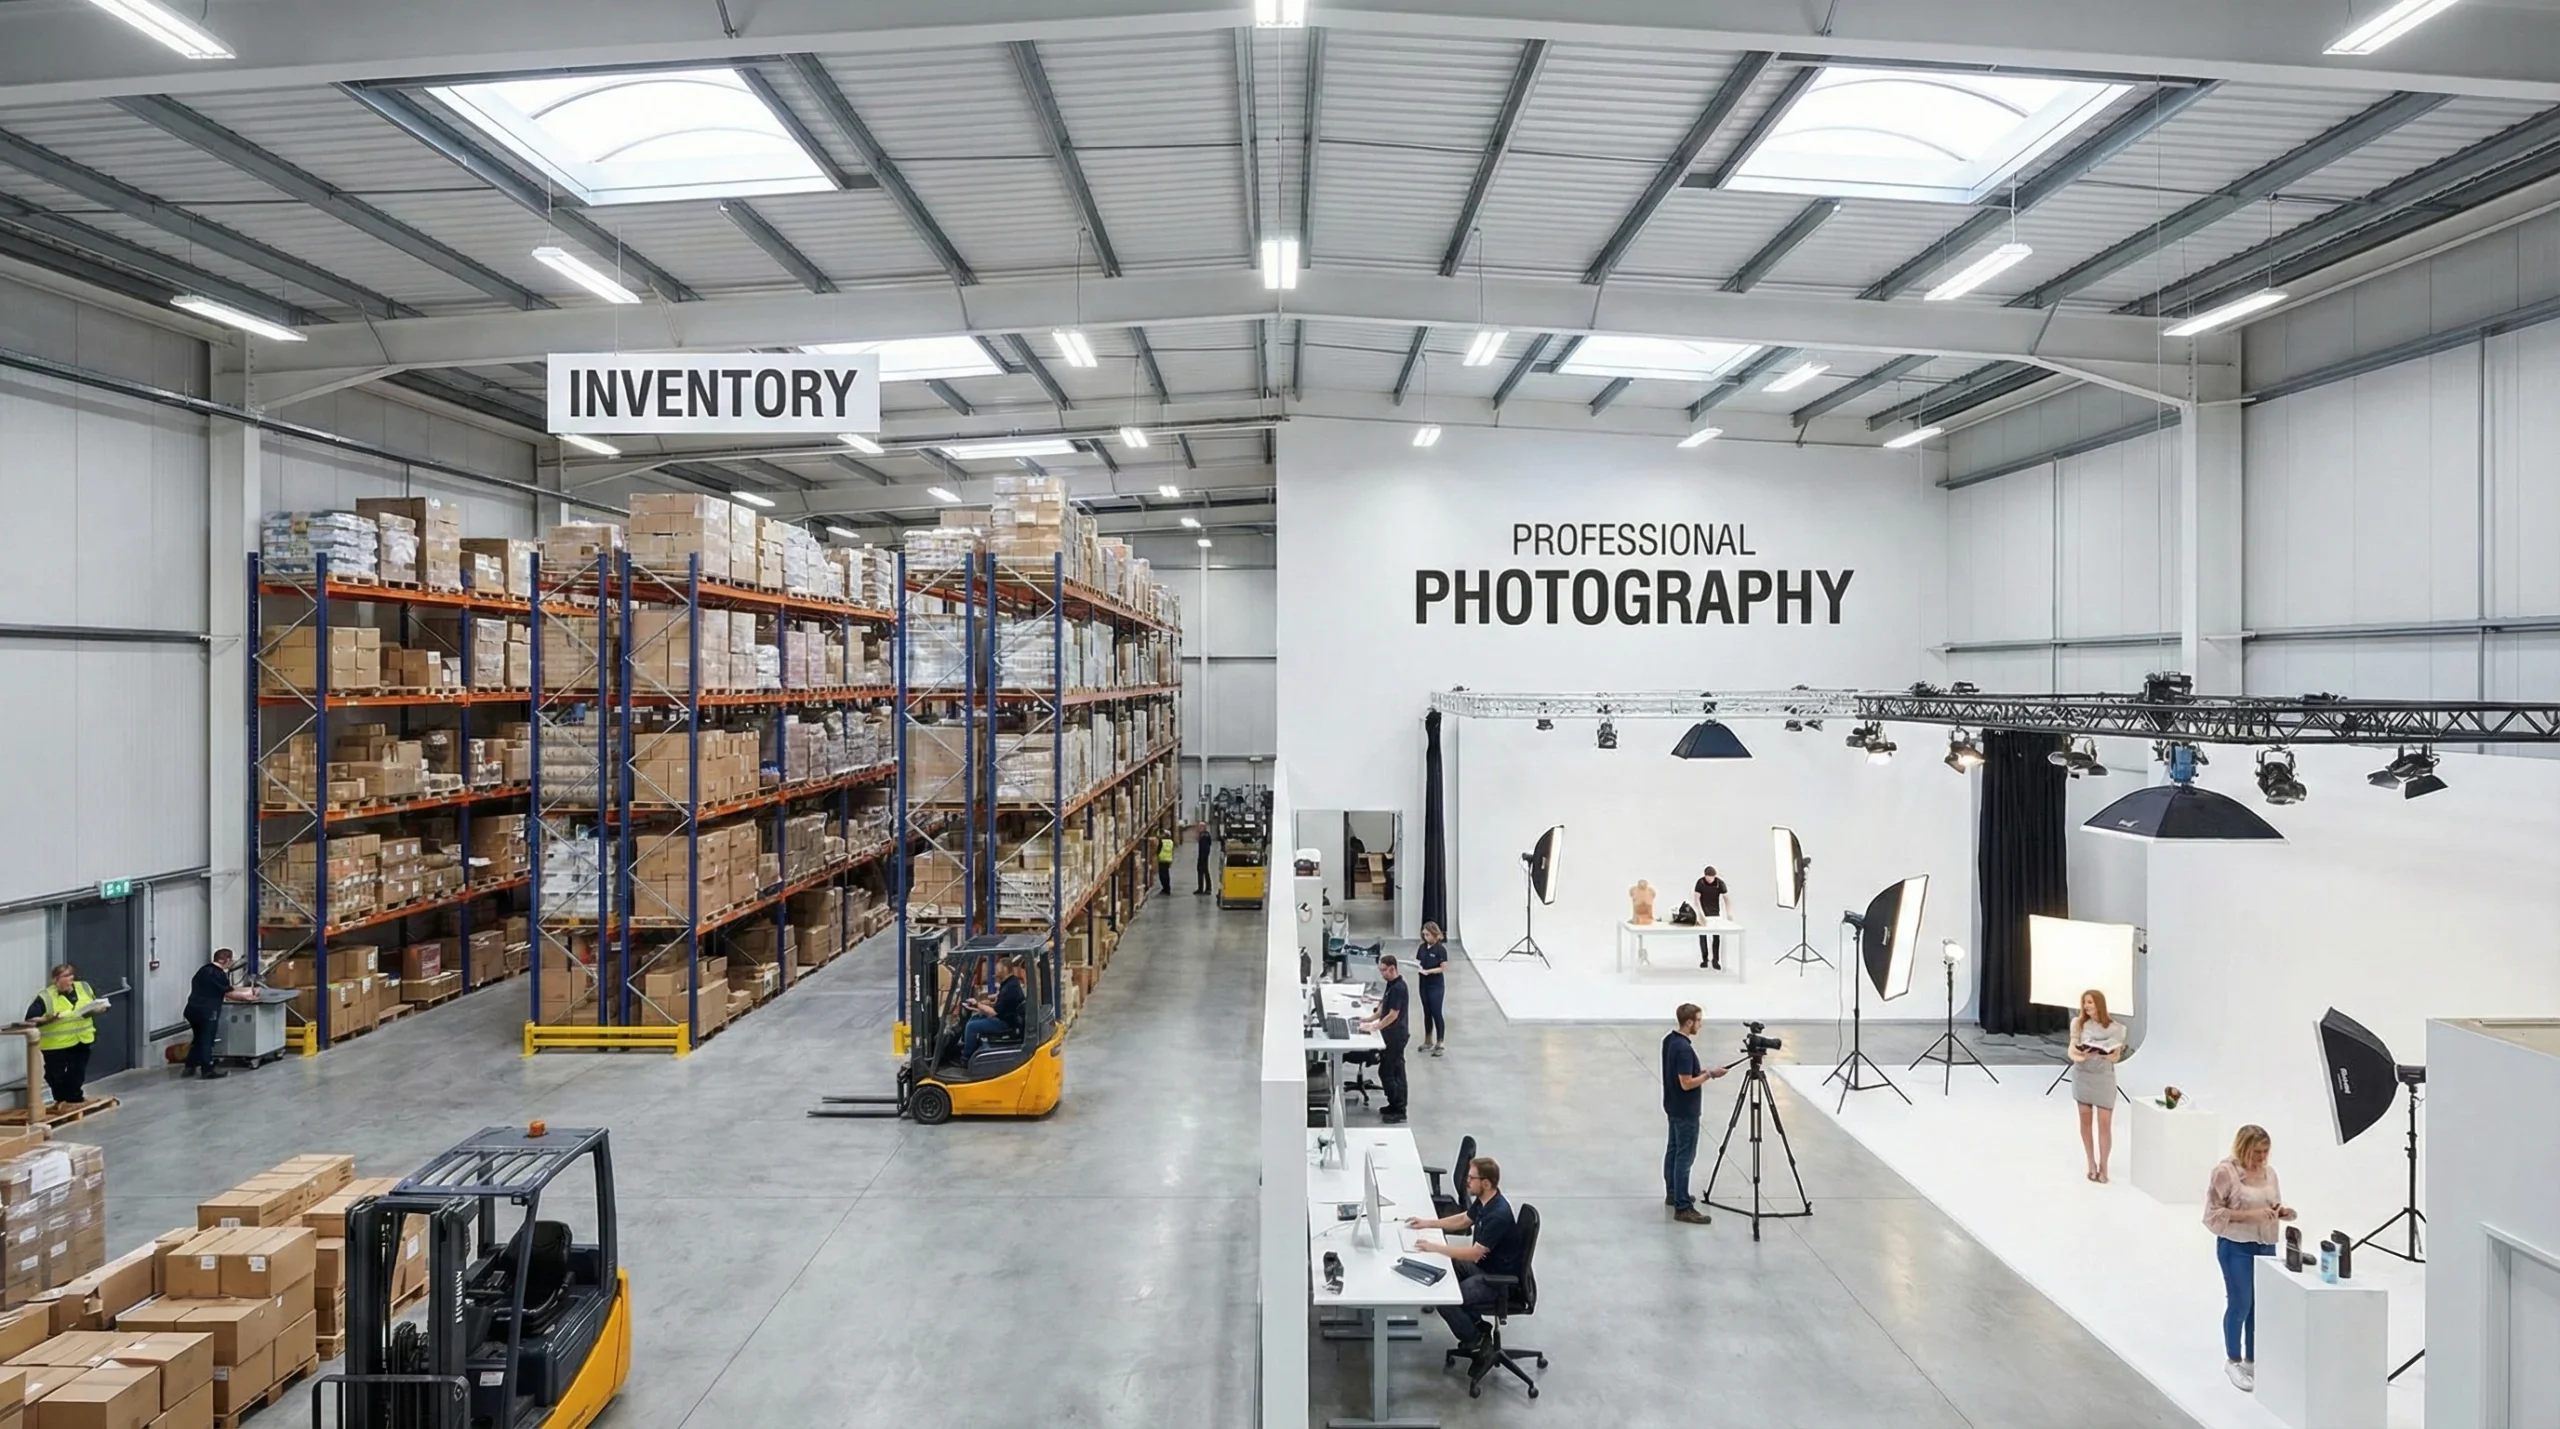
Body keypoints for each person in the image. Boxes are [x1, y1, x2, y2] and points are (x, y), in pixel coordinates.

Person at [1407, 1156, 1524, 1373]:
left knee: (1446, 1299)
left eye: (1471, 1178)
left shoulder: (1498, 1214)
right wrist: (1428, 1223)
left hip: (1496, 1281)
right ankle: (1480, 1328)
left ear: (1486, 1183)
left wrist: (1436, 1247)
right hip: (1486, 1268)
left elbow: (1474, 1255)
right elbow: (1463, 1220)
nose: (1466, 1181)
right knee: (1447, 1265)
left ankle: (1476, 1341)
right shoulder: (1486, 1200)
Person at [2204, 1124, 2294, 1392]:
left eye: (2265, 1152)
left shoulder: (2269, 1174)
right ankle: (2233, 1359)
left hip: (2265, 1245)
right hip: (2236, 1246)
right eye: (2256, 1152)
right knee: (2240, 1302)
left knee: (2260, 1306)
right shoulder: (2225, 1173)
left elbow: (2273, 1204)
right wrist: (2249, 1215)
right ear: (2243, 1148)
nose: (2261, 1158)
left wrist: (2282, 1213)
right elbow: (2212, 1215)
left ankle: (2254, 1359)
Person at [1662, 1002, 1730, 1223]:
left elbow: (1681, 1073)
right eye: (1699, 1021)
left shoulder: (1669, 1040)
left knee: (1673, 1150)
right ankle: (1683, 1206)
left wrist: (1699, 1071)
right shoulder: (1684, 1048)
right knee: (1685, 1156)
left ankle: (1673, 1193)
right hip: (1686, 1110)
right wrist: (1710, 1074)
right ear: (1689, 1022)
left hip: (1672, 1106)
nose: (1700, 1025)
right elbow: (1686, 1083)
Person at [23, 964, 104, 1108]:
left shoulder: (84, 987)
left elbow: (94, 1003)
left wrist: (99, 1009)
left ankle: (74, 1098)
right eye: (65, 979)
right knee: (55, 1074)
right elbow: (30, 1019)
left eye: (71, 979)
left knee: (77, 1072)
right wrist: (48, 1019)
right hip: (55, 1043)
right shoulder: (45, 997)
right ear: (55, 980)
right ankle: (61, 1098)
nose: (69, 983)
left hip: (81, 1038)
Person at [2070, 988, 2128, 1182]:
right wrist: (2081, 1055)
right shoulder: (2078, 1024)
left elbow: (2116, 1056)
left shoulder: (2116, 1028)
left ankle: (2104, 1166)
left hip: (2103, 1078)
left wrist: (2108, 1054)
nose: (2086, 1006)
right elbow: (2071, 1051)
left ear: (2099, 1004)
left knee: (2105, 1125)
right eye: (2085, 1002)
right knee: (2085, 1123)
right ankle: (2091, 1163)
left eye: (2090, 1002)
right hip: (2083, 1075)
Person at [183, 948, 252, 1080]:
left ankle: (190, 1066)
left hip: (191, 1010)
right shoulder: (217, 974)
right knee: (206, 1041)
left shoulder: (203, 970)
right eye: (231, 960)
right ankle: (207, 1070)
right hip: (207, 1012)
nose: (232, 963)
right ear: (225, 960)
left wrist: (246, 990)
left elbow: (227, 988)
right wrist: (247, 997)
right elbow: (229, 993)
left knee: (197, 1039)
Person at [1359, 953, 1409, 1123]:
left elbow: (1393, 1015)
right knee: (1393, 1071)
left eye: (1383, 970)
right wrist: (1369, 1020)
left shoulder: (1399, 988)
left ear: (1392, 968)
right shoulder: (1391, 985)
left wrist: (1375, 1027)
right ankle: (1394, 1104)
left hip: (1396, 1035)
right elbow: (1383, 1009)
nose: (1382, 974)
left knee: (1390, 1072)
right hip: (1390, 1034)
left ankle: (1399, 1109)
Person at [959, 956, 1027, 1062]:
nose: (995, 970)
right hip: (1005, 1017)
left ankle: (966, 1058)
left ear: (1004, 969)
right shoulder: (1011, 982)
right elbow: (1001, 1000)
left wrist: (977, 1004)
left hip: (1005, 1022)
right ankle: (969, 1046)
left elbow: (994, 1012)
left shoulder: (1009, 988)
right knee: (974, 1018)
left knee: (971, 1027)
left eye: (997, 968)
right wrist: (991, 999)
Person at [1413, 923, 1448, 1056]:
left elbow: (1443, 968)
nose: (1425, 937)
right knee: (1427, 1012)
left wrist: (1429, 971)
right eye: (1424, 934)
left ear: (1435, 935)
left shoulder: (1440, 950)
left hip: (1436, 985)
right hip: (1423, 984)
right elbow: (1418, 962)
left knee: (1436, 1012)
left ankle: (1440, 1042)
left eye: (1428, 934)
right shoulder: (1422, 948)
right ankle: (1428, 1040)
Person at [1692, 865, 1729, 969]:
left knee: (1716, 937)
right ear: (1705, 876)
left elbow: (1727, 898)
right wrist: (1700, 914)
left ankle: (1715, 960)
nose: (1709, 879)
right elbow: (1696, 899)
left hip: (1715, 914)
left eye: (1711, 877)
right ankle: (1704, 959)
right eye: (1708, 876)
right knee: (1702, 936)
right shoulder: (1700, 883)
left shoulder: (1719, 883)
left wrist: (1729, 912)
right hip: (1703, 913)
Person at [1195, 821, 1215, 895]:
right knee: (1200, 872)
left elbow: (1206, 848)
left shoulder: (1205, 836)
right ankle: (1200, 888)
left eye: (1200, 827)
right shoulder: (1202, 835)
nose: (1199, 828)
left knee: (1205, 872)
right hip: (1201, 856)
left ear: (1204, 827)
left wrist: (1204, 857)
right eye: (1198, 827)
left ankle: (1208, 889)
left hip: (1204, 857)